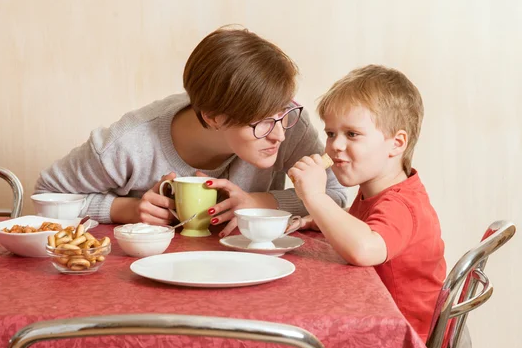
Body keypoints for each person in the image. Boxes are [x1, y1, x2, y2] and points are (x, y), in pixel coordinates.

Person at [35, 26, 347, 235]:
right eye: (261, 122)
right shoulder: (130, 143)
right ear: (213, 117)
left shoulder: (286, 121)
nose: (279, 134)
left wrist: (256, 202)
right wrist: (127, 209)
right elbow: (46, 194)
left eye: (283, 113)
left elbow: (334, 195)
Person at [288, 64, 447, 341]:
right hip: (374, 320)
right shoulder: (374, 191)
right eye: (330, 133)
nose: (335, 145)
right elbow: (358, 227)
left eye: (352, 134)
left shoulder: (402, 204)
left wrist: (315, 197)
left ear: (396, 144)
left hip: (400, 339)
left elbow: (364, 248)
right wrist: (313, 219)